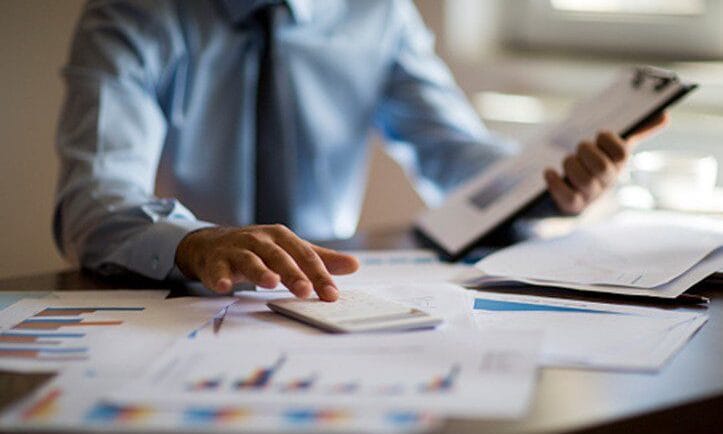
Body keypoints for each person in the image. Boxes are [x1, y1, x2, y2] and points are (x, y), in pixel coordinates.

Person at [53, 0, 666, 302]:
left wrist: (551, 186)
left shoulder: (379, 12)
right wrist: (195, 242)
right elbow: (94, 200)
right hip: (181, 299)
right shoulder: (130, 14)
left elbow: (455, 155)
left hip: (329, 302)